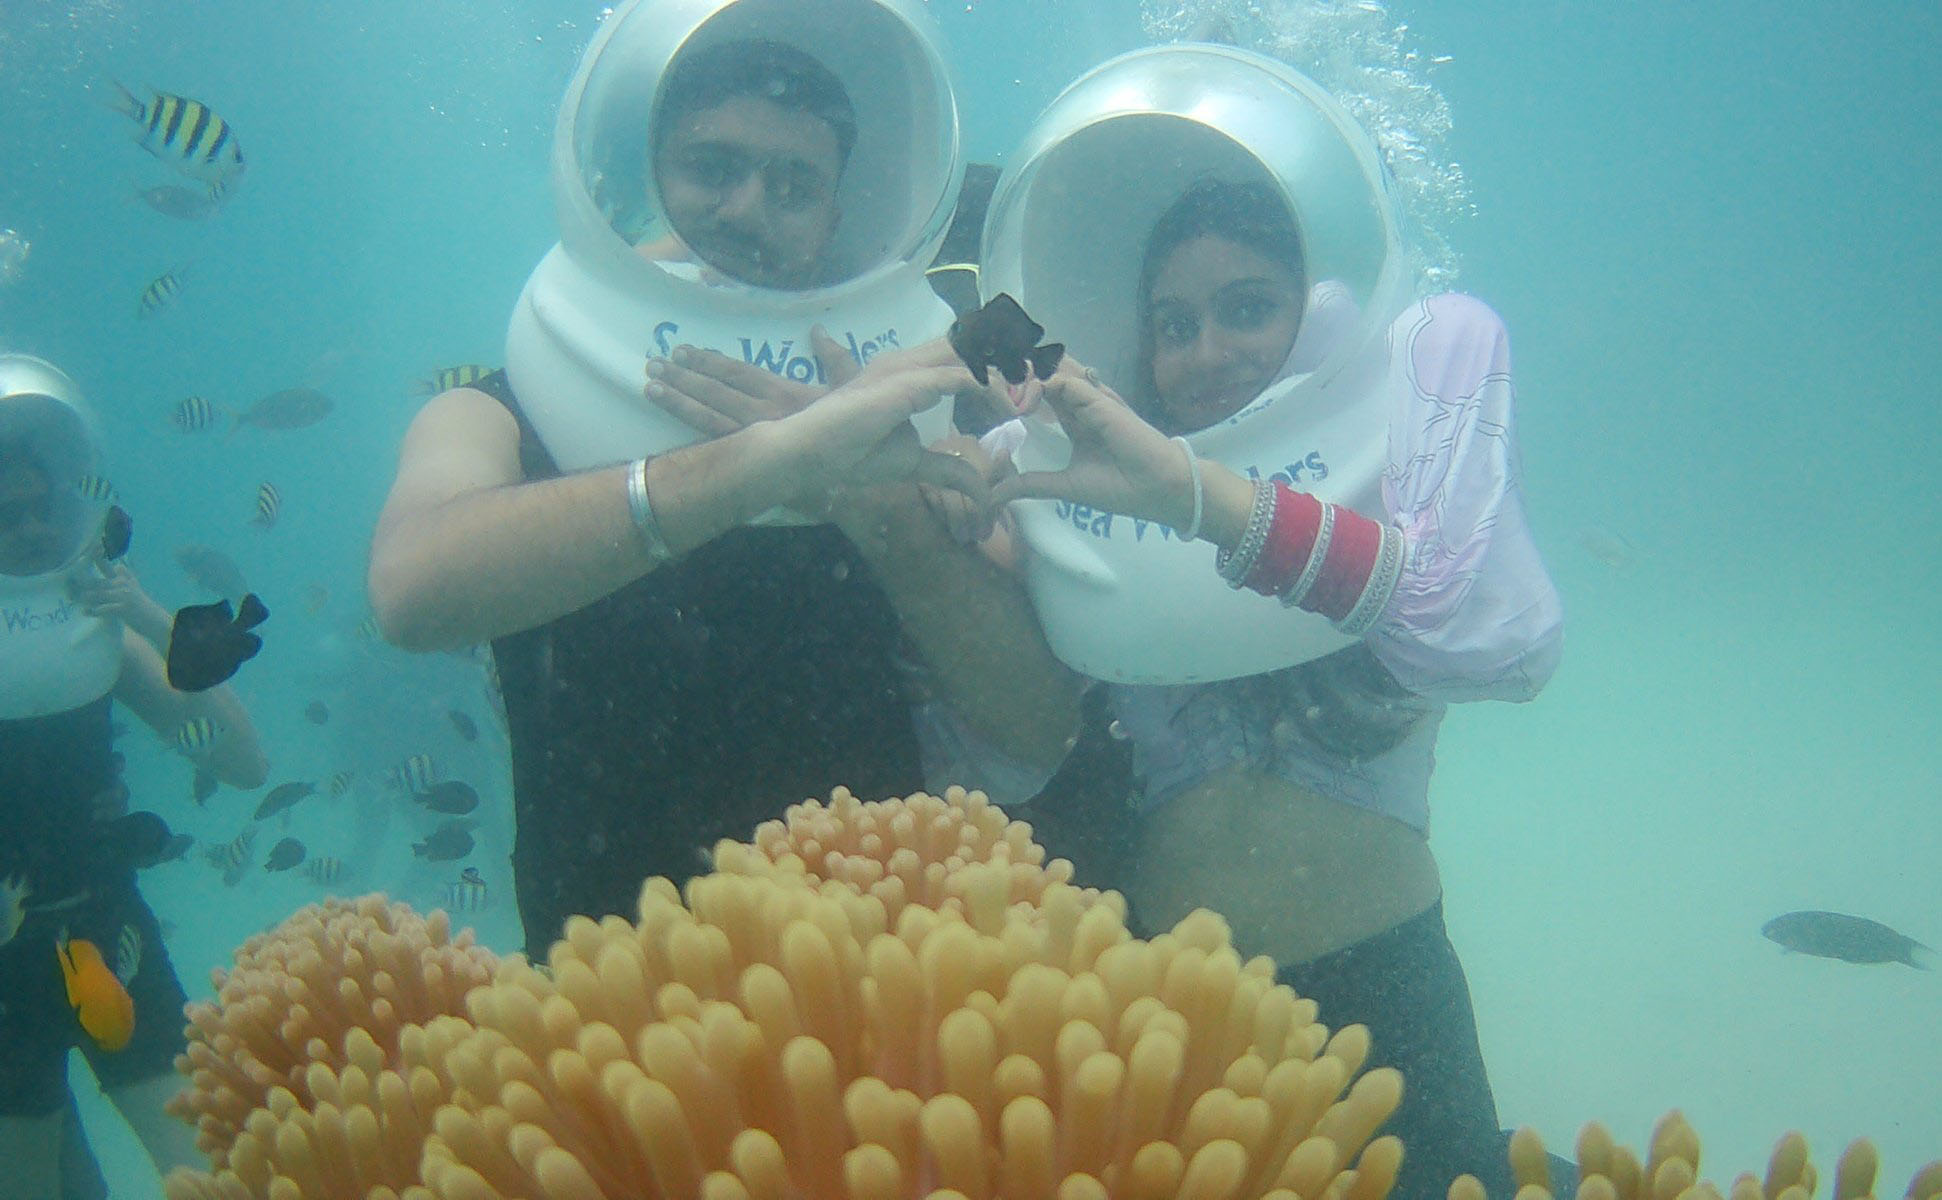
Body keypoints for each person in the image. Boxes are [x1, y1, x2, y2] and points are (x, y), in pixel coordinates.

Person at [945, 45, 1565, 1199]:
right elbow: (993, 754)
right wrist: (956, 529)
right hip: (1169, 1007)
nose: (1205, 352)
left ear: (1318, 316)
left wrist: (1195, 498)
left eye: (1247, 309)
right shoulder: (1093, 468)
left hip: (1387, 987)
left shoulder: (1403, 425)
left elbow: (1492, 642)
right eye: (1171, 324)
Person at [369, 9, 1076, 961]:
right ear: (650, 175)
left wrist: (874, 504)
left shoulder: (911, 417)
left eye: (794, 184)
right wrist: (760, 467)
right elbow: (412, 591)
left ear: (836, 215)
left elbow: (1035, 727)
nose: (747, 208)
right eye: (712, 167)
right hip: (615, 988)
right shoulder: (502, 408)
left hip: (892, 967)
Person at [0, 353, 270, 1199]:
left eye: (42, 507)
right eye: (5, 517)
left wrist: (148, 615)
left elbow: (243, 764)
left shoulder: (101, 636)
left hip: (111, 933)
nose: (30, 529)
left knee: (216, 1174)